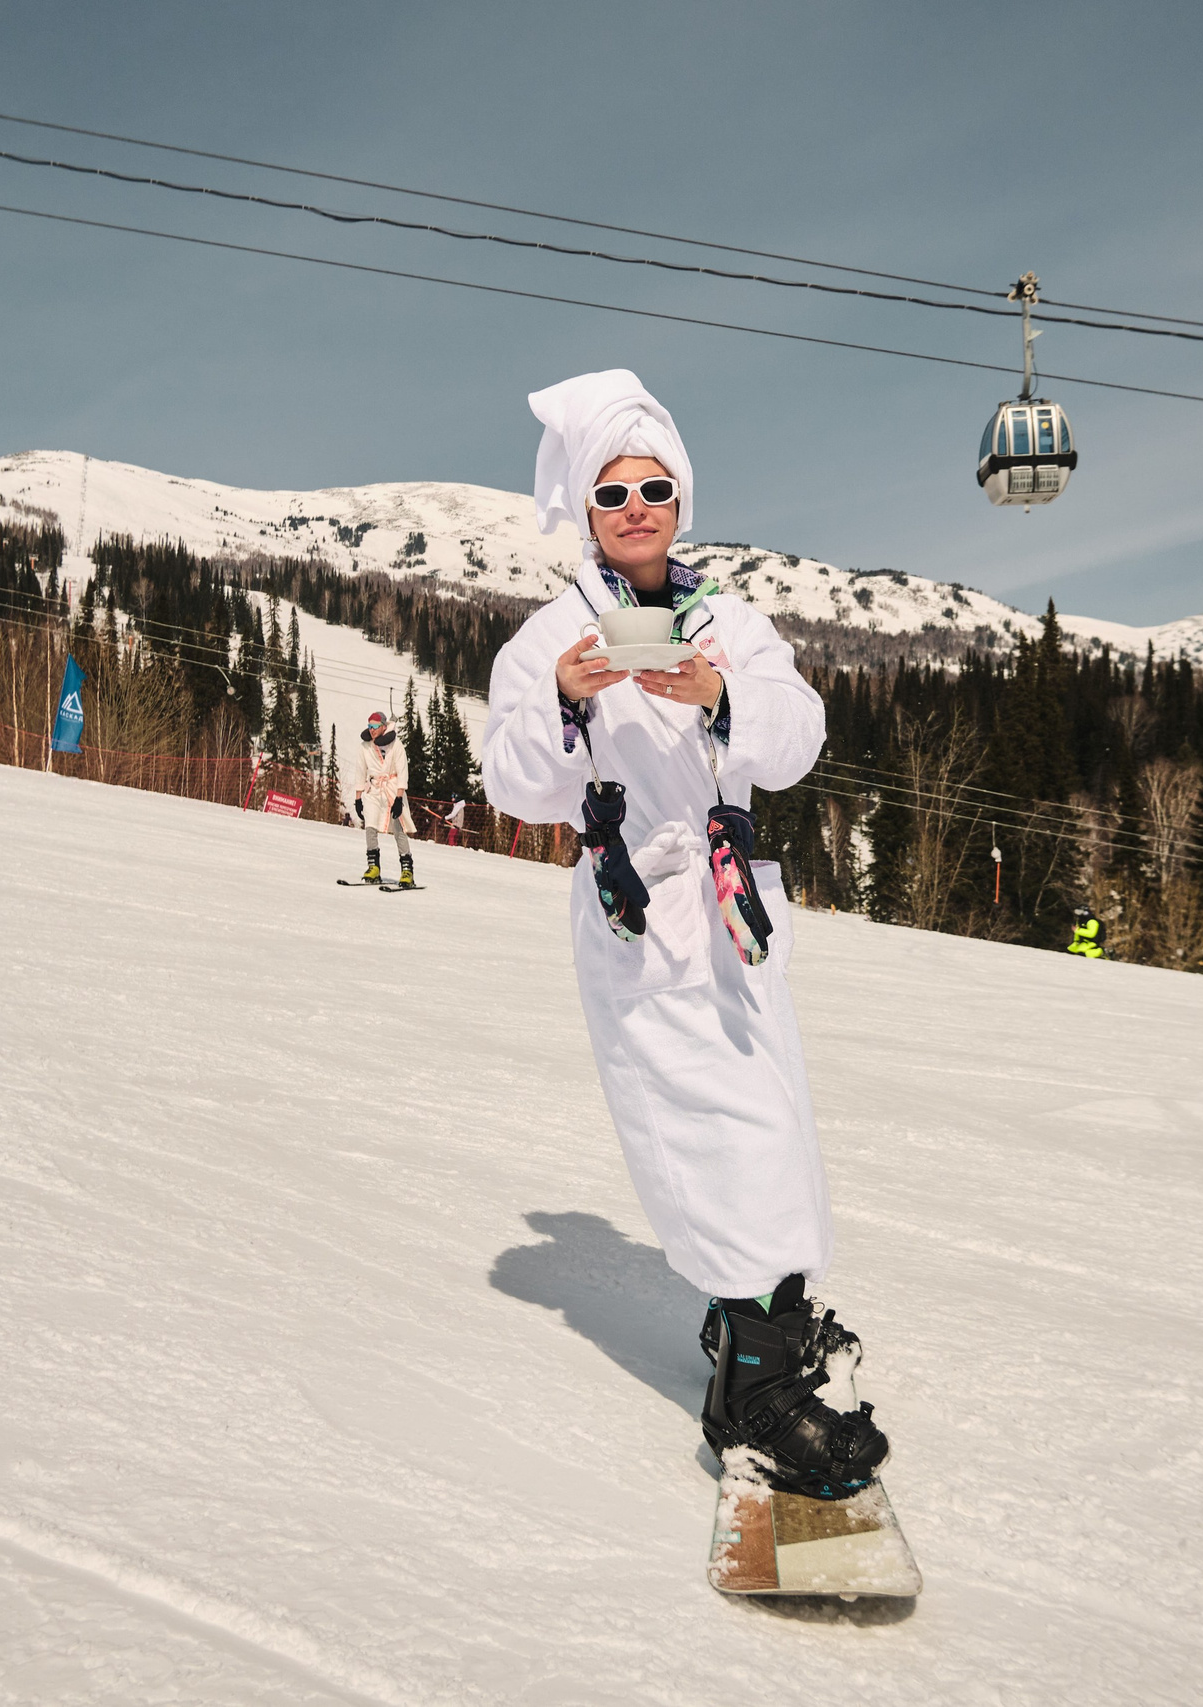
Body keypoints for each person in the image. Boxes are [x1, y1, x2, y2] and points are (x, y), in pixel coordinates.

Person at [481, 369, 887, 1500]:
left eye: (655, 486)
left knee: (769, 1117)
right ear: (582, 509)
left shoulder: (730, 622)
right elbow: (514, 781)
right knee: (712, 1127)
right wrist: (565, 701)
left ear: (682, 496)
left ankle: (759, 1317)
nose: (637, 508)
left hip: (734, 906)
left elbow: (796, 738)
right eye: (611, 494)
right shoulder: (548, 639)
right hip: (638, 911)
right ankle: (754, 1391)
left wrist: (718, 695)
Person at [353, 710, 416, 885]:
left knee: (398, 829)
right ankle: (373, 867)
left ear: (383, 726)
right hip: (374, 790)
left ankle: (407, 870)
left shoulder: (396, 745)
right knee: (370, 826)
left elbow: (403, 771)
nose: (371, 730)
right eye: (369, 726)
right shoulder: (364, 747)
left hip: (393, 789)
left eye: (374, 726)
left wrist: (399, 798)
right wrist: (358, 798)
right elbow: (360, 772)